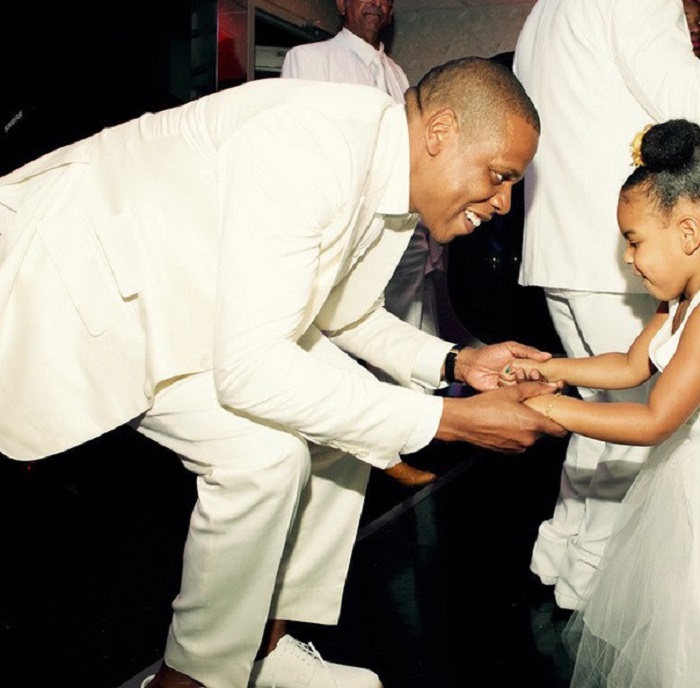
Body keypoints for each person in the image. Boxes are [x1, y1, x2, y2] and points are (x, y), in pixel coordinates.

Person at [0, 57, 565, 688]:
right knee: (282, 444)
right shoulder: (312, 145)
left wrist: (457, 362)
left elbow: (344, 312)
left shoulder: (391, 170)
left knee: (302, 445)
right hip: (68, 290)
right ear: (441, 133)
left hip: (186, 312)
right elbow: (251, 369)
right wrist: (449, 419)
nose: (504, 202)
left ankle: (247, 653)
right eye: (499, 176)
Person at [512, 0, 700, 611]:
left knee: (602, 417)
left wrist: (546, 382)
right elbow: (689, 100)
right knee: (625, 425)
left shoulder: (542, 13)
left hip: (559, 246)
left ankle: (559, 553)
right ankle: (590, 582)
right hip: (631, 245)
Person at [501, 118, 700, 687]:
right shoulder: (679, 301)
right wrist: (547, 369)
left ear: (688, 232)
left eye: (635, 242)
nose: (629, 260)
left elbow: (656, 418)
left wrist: (546, 409)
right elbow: (631, 366)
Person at [281, 0, 447, 488]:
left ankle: (406, 439)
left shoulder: (398, 75)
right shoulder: (309, 61)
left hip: (403, 234)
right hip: (345, 230)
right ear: (341, 3)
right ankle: (351, 447)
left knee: (404, 334)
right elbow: (300, 149)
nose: (376, 2)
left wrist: (428, 239)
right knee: (335, 336)